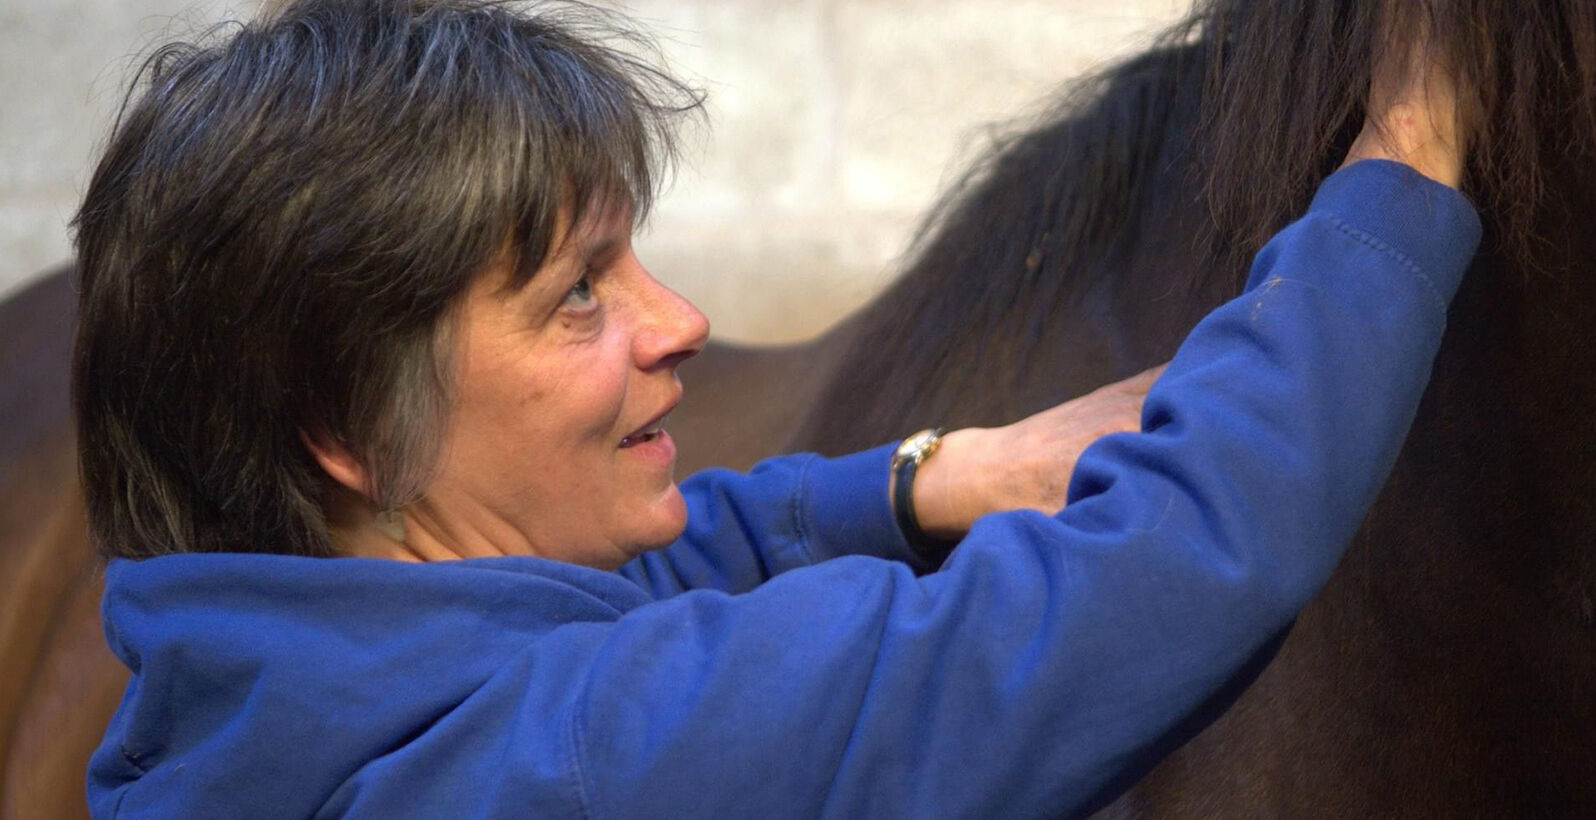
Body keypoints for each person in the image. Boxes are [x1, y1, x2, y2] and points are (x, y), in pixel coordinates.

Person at [73, 0, 1477, 816]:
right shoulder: (578, 765)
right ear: (351, 426)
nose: (680, 323)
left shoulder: (263, 680)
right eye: (577, 294)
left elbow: (592, 591)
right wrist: (1407, 164)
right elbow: (1145, 594)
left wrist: (924, 480)